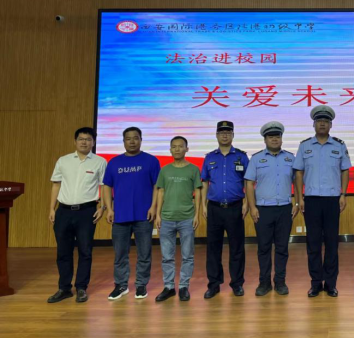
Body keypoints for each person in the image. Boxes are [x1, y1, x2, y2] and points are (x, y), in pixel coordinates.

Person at [294, 106, 351, 298]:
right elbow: (298, 173)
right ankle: (316, 283)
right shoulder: (305, 146)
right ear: (314, 124)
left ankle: (331, 283)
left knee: (332, 243)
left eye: (326, 121)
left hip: (332, 200)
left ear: (331, 125)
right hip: (311, 200)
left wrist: (343, 194)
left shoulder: (339, 145)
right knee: (313, 244)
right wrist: (299, 198)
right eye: (319, 121)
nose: (322, 124)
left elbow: (345, 170)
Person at [47, 127, 107, 304]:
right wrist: (52, 208)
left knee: (85, 251)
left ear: (93, 142)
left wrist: (102, 207)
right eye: (81, 139)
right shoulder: (63, 160)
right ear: (75, 141)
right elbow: (56, 185)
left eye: (88, 139)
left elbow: (104, 186)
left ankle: (81, 287)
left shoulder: (100, 162)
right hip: (63, 211)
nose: (84, 142)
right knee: (63, 251)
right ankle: (64, 288)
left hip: (87, 211)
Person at [102, 127, 160, 300]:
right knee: (120, 253)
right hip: (120, 216)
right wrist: (109, 208)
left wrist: (153, 207)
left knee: (144, 253)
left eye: (136, 138)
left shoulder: (151, 161)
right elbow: (107, 186)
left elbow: (157, 186)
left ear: (141, 140)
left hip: (144, 216)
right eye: (128, 138)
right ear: (123, 141)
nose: (132, 141)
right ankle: (121, 285)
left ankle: (141, 285)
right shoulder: (114, 162)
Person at [245, 122, 300, 296]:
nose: (274, 139)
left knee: (282, 248)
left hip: (285, 209)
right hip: (263, 210)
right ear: (265, 139)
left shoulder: (290, 158)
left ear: (281, 138)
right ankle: (264, 283)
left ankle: (280, 282)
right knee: (264, 248)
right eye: (271, 137)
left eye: (277, 136)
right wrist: (252, 207)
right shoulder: (256, 159)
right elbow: (249, 184)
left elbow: (298, 181)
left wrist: (297, 203)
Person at [201, 121, 249, 299]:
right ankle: (214, 284)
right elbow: (204, 182)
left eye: (228, 132)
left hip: (235, 208)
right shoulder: (209, 157)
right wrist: (203, 204)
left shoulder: (242, 157)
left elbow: (248, 181)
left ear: (233, 135)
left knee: (237, 248)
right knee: (213, 248)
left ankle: (237, 284)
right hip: (214, 208)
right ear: (216, 135)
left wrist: (246, 203)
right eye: (221, 132)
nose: (225, 135)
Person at [155, 136, 202, 302]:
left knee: (187, 255)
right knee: (167, 256)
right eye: (174, 147)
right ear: (170, 150)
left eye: (180, 146)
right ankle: (169, 287)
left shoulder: (193, 169)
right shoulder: (165, 170)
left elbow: (198, 192)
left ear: (186, 149)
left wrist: (197, 214)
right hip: (166, 218)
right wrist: (158, 214)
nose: (177, 149)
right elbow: (160, 192)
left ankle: (183, 287)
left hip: (187, 218)